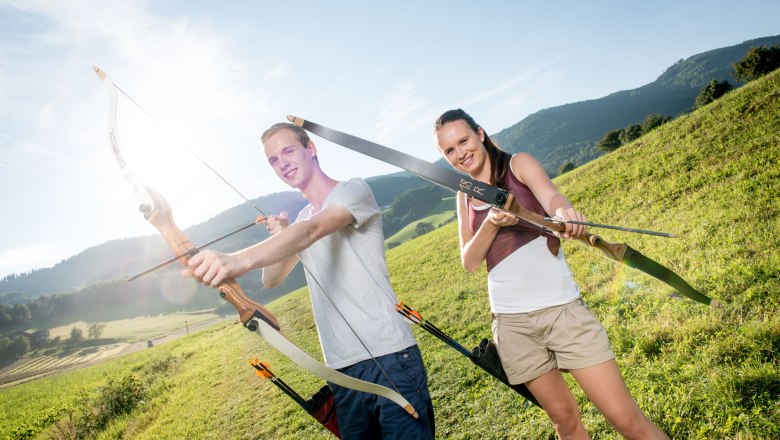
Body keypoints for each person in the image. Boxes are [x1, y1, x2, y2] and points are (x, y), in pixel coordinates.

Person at [184, 122, 434, 439]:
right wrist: (281, 235)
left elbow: (313, 230)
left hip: (390, 357)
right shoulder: (300, 221)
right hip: (341, 371)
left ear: (310, 149)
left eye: (287, 151)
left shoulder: (352, 191)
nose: (282, 163)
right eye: (273, 160)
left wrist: (235, 260)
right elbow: (272, 279)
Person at [433, 109, 667, 440]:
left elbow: (551, 197)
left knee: (625, 419)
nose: (461, 154)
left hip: (561, 311)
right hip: (512, 325)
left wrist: (563, 213)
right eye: (449, 151)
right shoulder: (464, 194)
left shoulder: (518, 165)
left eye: (463, 141)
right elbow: (469, 261)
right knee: (565, 423)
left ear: (480, 134)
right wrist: (491, 222)